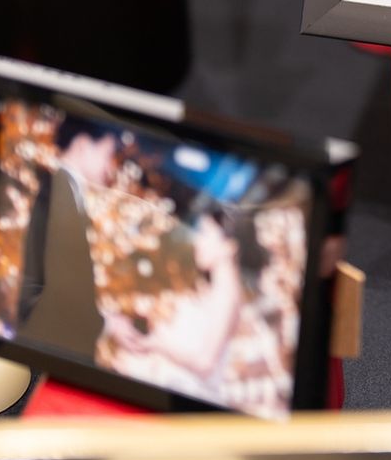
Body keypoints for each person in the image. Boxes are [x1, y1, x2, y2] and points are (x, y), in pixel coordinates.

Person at [131, 205, 286, 413]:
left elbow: (205, 364)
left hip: (191, 397)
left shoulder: (227, 294)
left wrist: (158, 345)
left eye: (204, 234)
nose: (197, 241)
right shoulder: (216, 289)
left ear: (229, 246)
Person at [16, 114, 138, 359]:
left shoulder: (64, 189)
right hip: (47, 340)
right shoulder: (59, 190)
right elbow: (60, 284)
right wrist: (107, 324)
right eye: (107, 154)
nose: (111, 166)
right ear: (82, 144)